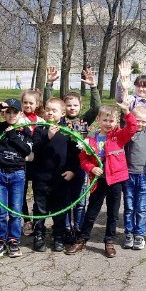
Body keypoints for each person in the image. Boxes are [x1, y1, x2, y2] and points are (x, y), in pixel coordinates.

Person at [0, 98, 41, 258]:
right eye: (8, 112)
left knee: (15, 211)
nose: (11, 115)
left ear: (20, 113)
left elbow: (26, 150)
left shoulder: (25, 130)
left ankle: (13, 241)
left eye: (15, 112)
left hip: (17, 174)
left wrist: (12, 134)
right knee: (0, 211)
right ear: (4, 114)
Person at [74, 102, 138, 258]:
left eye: (111, 121)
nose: (108, 124)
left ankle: (109, 241)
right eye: (105, 120)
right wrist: (91, 168)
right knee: (92, 211)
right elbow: (83, 159)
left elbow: (132, 128)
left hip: (115, 180)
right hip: (98, 180)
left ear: (116, 121)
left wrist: (126, 111)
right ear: (98, 119)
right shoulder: (91, 139)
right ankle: (82, 239)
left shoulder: (118, 136)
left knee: (113, 213)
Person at [59, 68, 101, 254]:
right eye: (69, 105)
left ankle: (78, 230)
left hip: (80, 168)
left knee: (80, 201)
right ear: (64, 107)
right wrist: (49, 85)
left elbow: (96, 108)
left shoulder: (83, 121)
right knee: (65, 200)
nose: (72, 108)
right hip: (62, 167)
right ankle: (66, 230)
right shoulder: (58, 122)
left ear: (79, 106)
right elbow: (47, 105)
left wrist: (93, 86)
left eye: (75, 105)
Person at [30, 98, 78, 253]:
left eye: (54, 110)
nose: (50, 112)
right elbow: (34, 149)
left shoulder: (67, 131)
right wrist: (47, 136)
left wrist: (72, 170)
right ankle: (39, 236)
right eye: (48, 109)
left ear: (62, 113)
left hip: (61, 177)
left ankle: (58, 236)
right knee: (40, 209)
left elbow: (75, 153)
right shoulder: (39, 130)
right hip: (41, 177)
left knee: (60, 208)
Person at [122, 92, 146, 250]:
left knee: (141, 207)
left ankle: (139, 235)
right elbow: (125, 119)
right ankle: (129, 234)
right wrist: (125, 108)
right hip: (128, 175)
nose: (140, 124)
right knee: (129, 207)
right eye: (137, 121)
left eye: (143, 122)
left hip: (144, 175)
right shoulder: (128, 133)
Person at [18, 86, 46, 236]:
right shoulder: (18, 119)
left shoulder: (41, 121)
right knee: (21, 192)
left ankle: (37, 221)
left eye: (31, 103)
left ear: (37, 104)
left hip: (37, 163)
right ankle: (26, 219)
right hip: (21, 162)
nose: (28, 106)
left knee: (38, 192)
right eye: (25, 102)